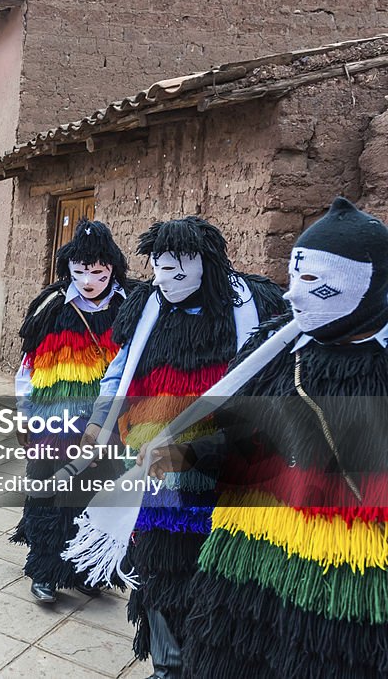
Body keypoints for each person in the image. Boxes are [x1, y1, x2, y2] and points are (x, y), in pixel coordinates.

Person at [150, 198, 388, 678]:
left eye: (317, 284)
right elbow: (245, 437)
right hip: (251, 549)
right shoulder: (275, 348)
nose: (295, 295)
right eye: (295, 278)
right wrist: (188, 454)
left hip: (344, 565)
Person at [68, 217, 285, 679]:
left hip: (223, 469)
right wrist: (97, 423)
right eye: (159, 268)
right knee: (161, 566)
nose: (166, 279)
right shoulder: (146, 307)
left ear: (205, 266)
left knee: (213, 570)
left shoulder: (250, 305)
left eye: (178, 270)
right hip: (155, 468)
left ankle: (205, 660)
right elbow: (119, 372)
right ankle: (168, 662)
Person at [10, 220, 132, 605]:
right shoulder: (50, 307)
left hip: (109, 423)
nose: (89, 280)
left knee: (97, 494)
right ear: (68, 268)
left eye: (97, 272)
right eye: (80, 272)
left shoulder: (129, 308)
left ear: (112, 268)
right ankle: (44, 570)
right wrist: (24, 411)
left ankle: (87, 568)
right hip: (54, 420)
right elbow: (28, 366)